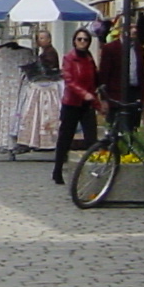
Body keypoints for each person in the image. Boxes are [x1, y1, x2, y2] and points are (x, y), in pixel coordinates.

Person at [53, 30, 99, 185]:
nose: (82, 42)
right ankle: (57, 170)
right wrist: (83, 93)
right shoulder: (69, 58)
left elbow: (94, 80)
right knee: (65, 138)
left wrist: (96, 100)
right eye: (79, 39)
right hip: (71, 103)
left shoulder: (89, 58)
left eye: (85, 39)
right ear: (74, 41)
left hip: (87, 104)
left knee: (92, 138)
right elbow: (69, 80)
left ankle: (93, 171)